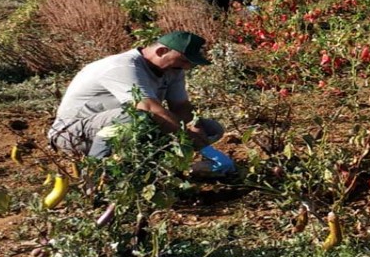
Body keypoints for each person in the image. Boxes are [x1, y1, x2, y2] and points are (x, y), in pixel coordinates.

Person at [47, 31, 233, 176]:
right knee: (139, 117)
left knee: (211, 128)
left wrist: (195, 128)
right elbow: (149, 108)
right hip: (73, 134)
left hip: (120, 129)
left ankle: (163, 169)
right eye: (184, 60)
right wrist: (192, 140)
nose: (187, 67)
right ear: (162, 51)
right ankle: (97, 174)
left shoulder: (173, 70)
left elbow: (181, 107)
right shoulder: (123, 66)